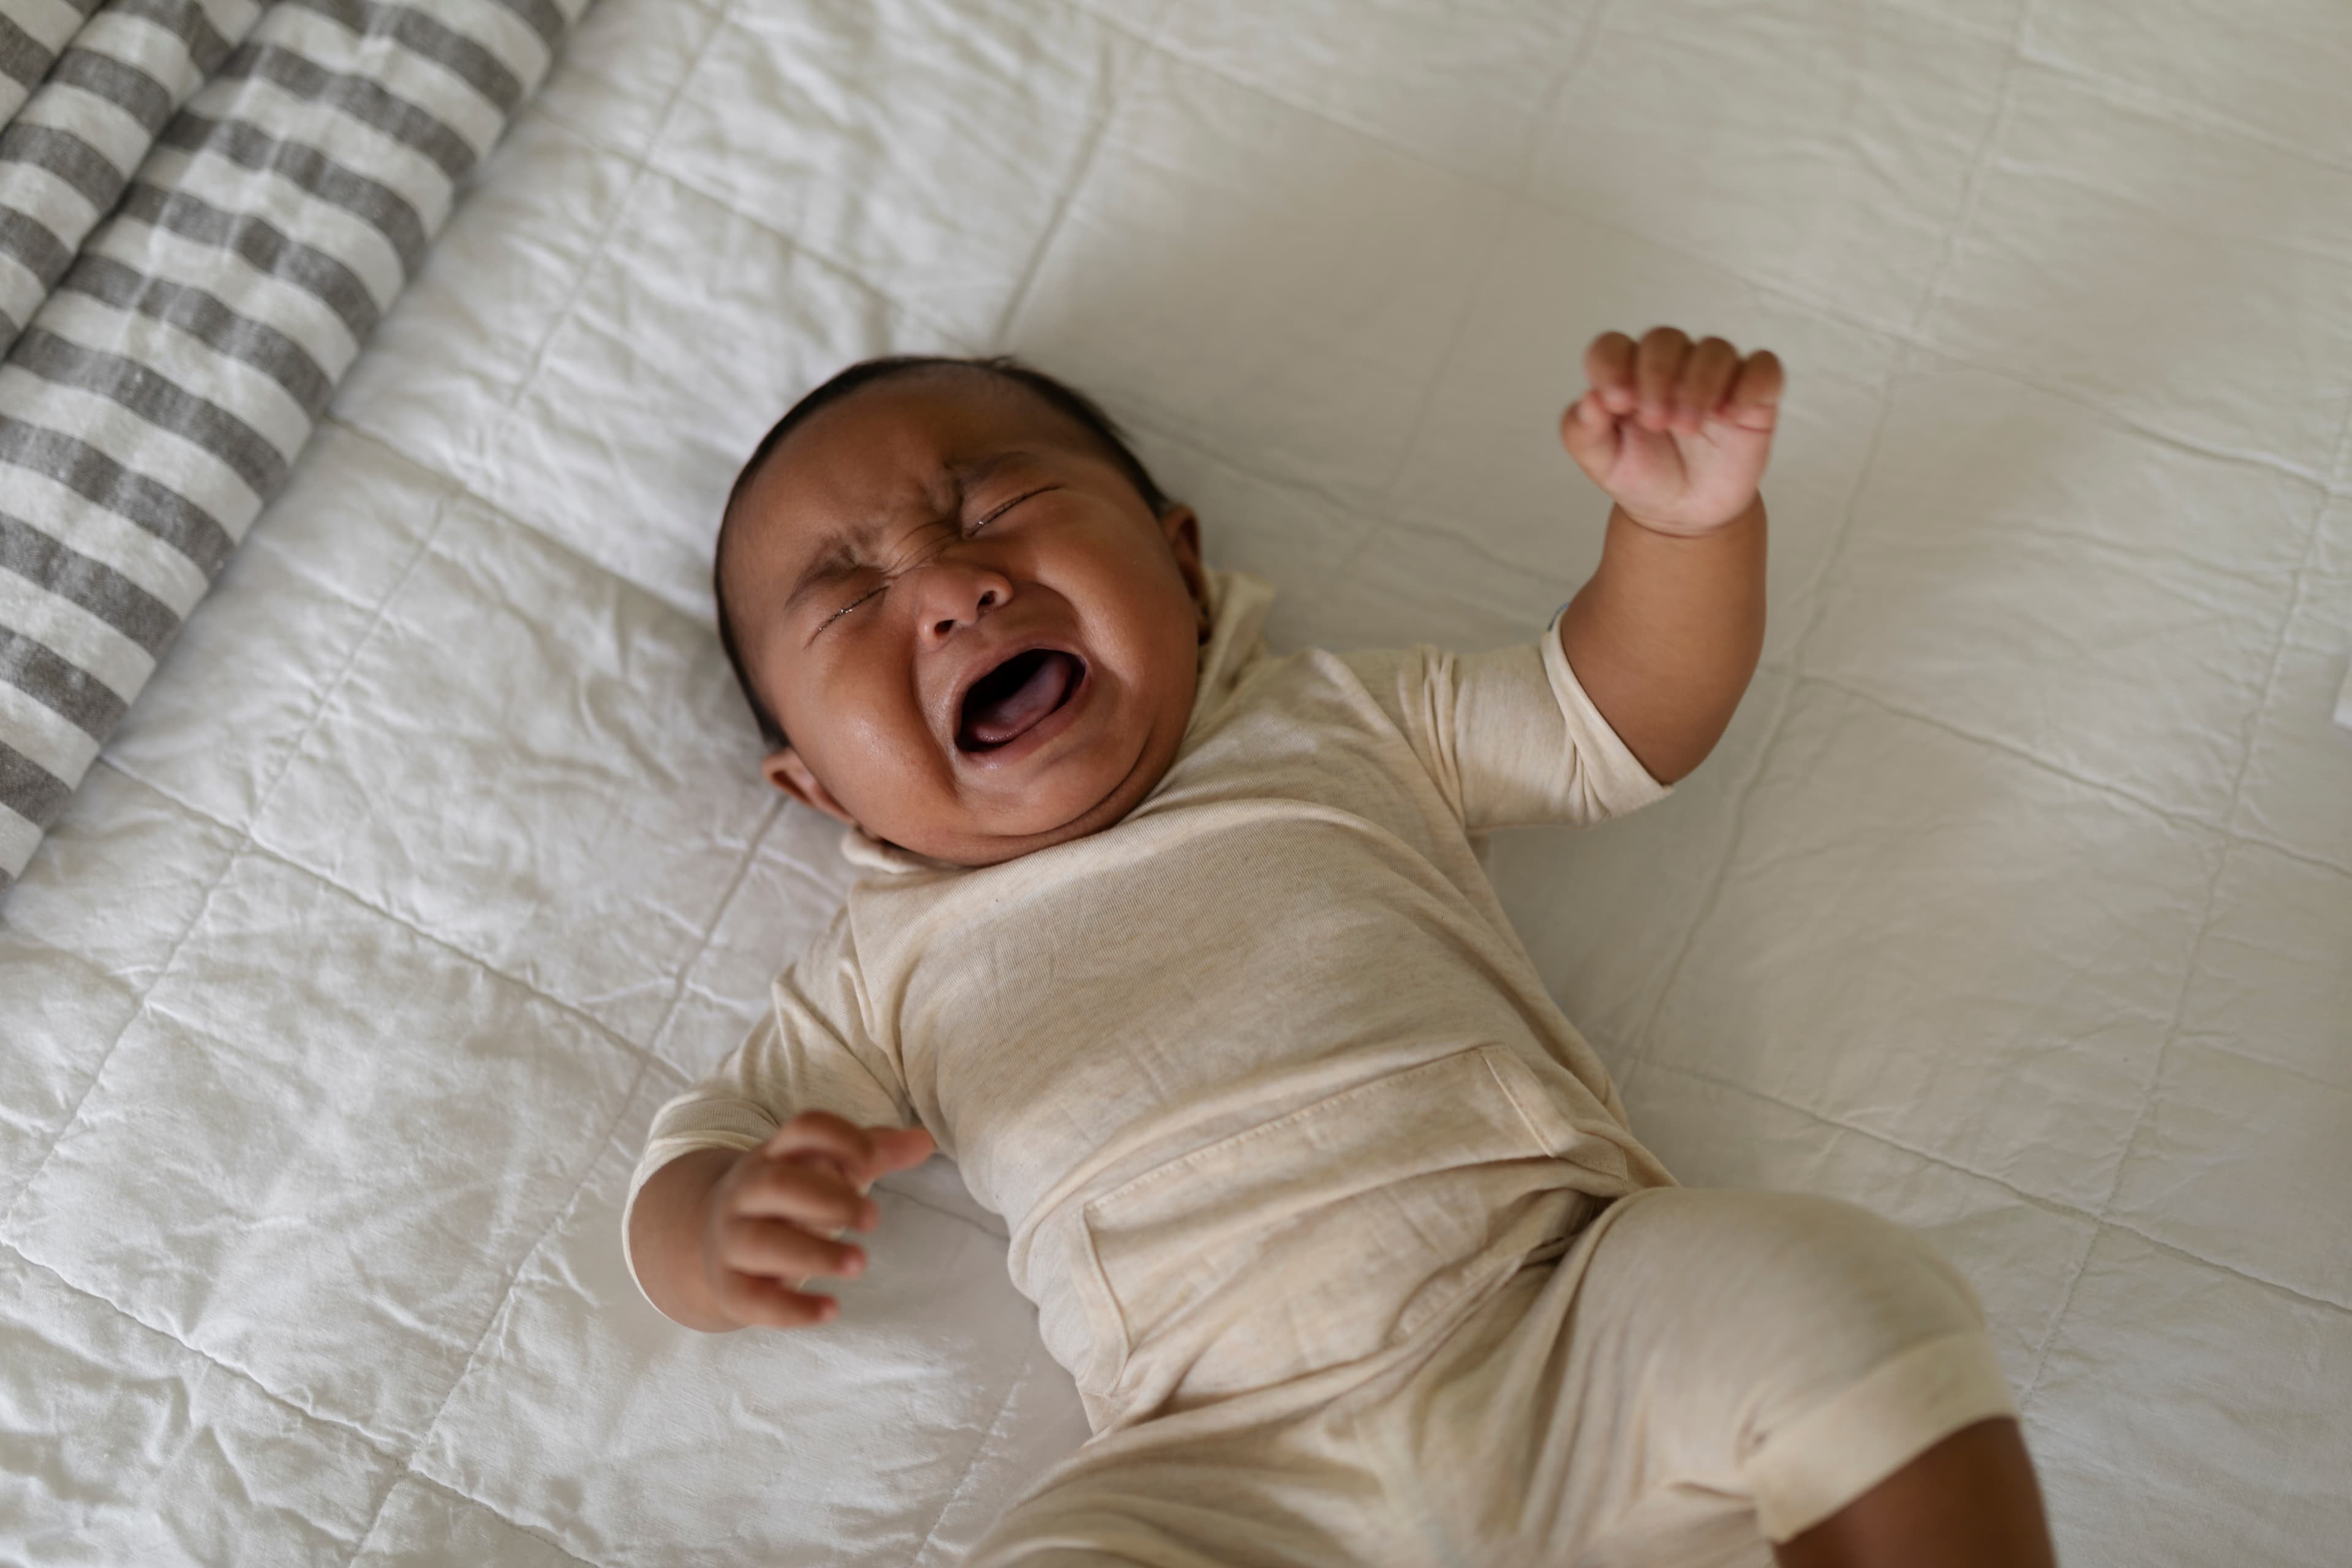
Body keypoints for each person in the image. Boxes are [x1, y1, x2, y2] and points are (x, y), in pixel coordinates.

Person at [623, 328, 2060, 1567]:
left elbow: (1613, 722)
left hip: (1559, 1314)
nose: (953, 586)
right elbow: (694, 1152)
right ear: (813, 783)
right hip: (1219, 1474)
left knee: (1836, 1289)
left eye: (999, 503)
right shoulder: (880, 965)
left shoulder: (1335, 727)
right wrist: (721, 1219)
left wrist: (1682, 533)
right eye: (852, 597)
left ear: (1181, 564)